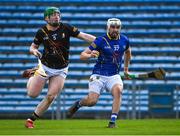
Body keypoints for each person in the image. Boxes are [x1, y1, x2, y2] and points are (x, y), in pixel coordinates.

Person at [24, 7, 96, 128]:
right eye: (53, 15)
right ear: (46, 18)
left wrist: (101, 41)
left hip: (61, 69)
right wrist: (34, 51)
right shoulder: (41, 32)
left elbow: (83, 36)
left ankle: (31, 120)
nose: (56, 16)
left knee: (51, 97)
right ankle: (32, 75)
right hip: (45, 67)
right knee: (32, 94)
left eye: (58, 14)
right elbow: (32, 47)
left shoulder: (66, 27)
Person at [67, 18, 131, 128]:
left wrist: (125, 69)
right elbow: (82, 55)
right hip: (98, 74)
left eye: (117, 27)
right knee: (92, 101)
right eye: (112, 27)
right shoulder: (100, 40)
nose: (115, 29)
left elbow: (128, 52)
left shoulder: (124, 39)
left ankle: (112, 121)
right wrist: (90, 55)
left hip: (114, 75)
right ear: (108, 27)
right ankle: (79, 104)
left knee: (118, 91)